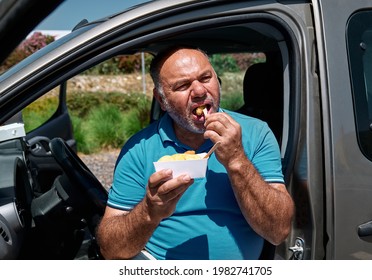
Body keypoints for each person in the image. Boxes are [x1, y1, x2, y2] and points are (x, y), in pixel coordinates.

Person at [96, 46, 294, 260]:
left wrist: (237, 160)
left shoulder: (256, 133)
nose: (199, 91)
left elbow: (279, 231)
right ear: (161, 100)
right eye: (183, 85)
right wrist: (149, 211)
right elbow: (111, 251)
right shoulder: (138, 149)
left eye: (206, 78)